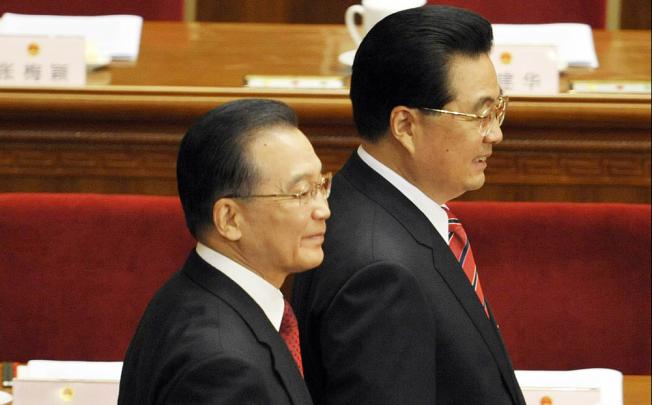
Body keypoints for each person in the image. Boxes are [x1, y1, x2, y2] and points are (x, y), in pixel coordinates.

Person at [292, 6, 526, 405]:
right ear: (404, 126)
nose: (496, 133)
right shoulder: (379, 275)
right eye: (479, 114)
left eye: (497, 109)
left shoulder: (360, 201)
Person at [118, 99, 331, 405]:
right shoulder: (222, 367)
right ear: (230, 219)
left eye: (321, 186)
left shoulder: (190, 291)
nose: (323, 209)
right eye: (300, 193)